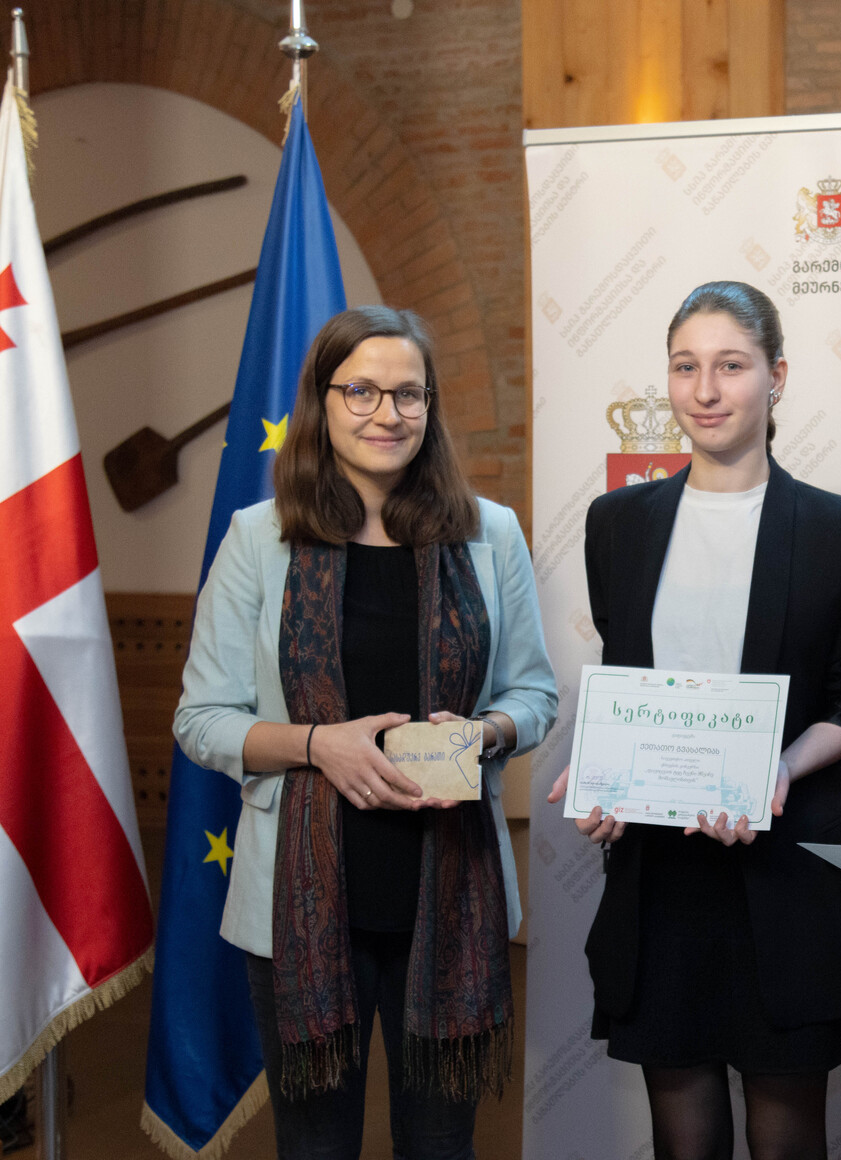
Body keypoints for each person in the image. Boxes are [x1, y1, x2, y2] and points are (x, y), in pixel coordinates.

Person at [175, 306, 558, 1160]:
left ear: (430, 407)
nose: (388, 413)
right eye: (362, 391)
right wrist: (320, 745)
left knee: (440, 1146)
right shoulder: (258, 538)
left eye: (408, 394)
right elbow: (201, 719)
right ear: (322, 400)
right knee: (315, 1148)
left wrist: (489, 731)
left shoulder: (489, 533)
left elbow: (534, 693)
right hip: (302, 905)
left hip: (450, 891)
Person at [551, 281, 841, 1160]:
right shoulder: (617, 524)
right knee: (683, 1144)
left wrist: (780, 767)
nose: (705, 390)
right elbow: (630, 681)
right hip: (661, 881)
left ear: (778, 377)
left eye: (731, 366)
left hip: (785, 878)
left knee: (787, 1142)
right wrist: (606, 773)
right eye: (685, 366)